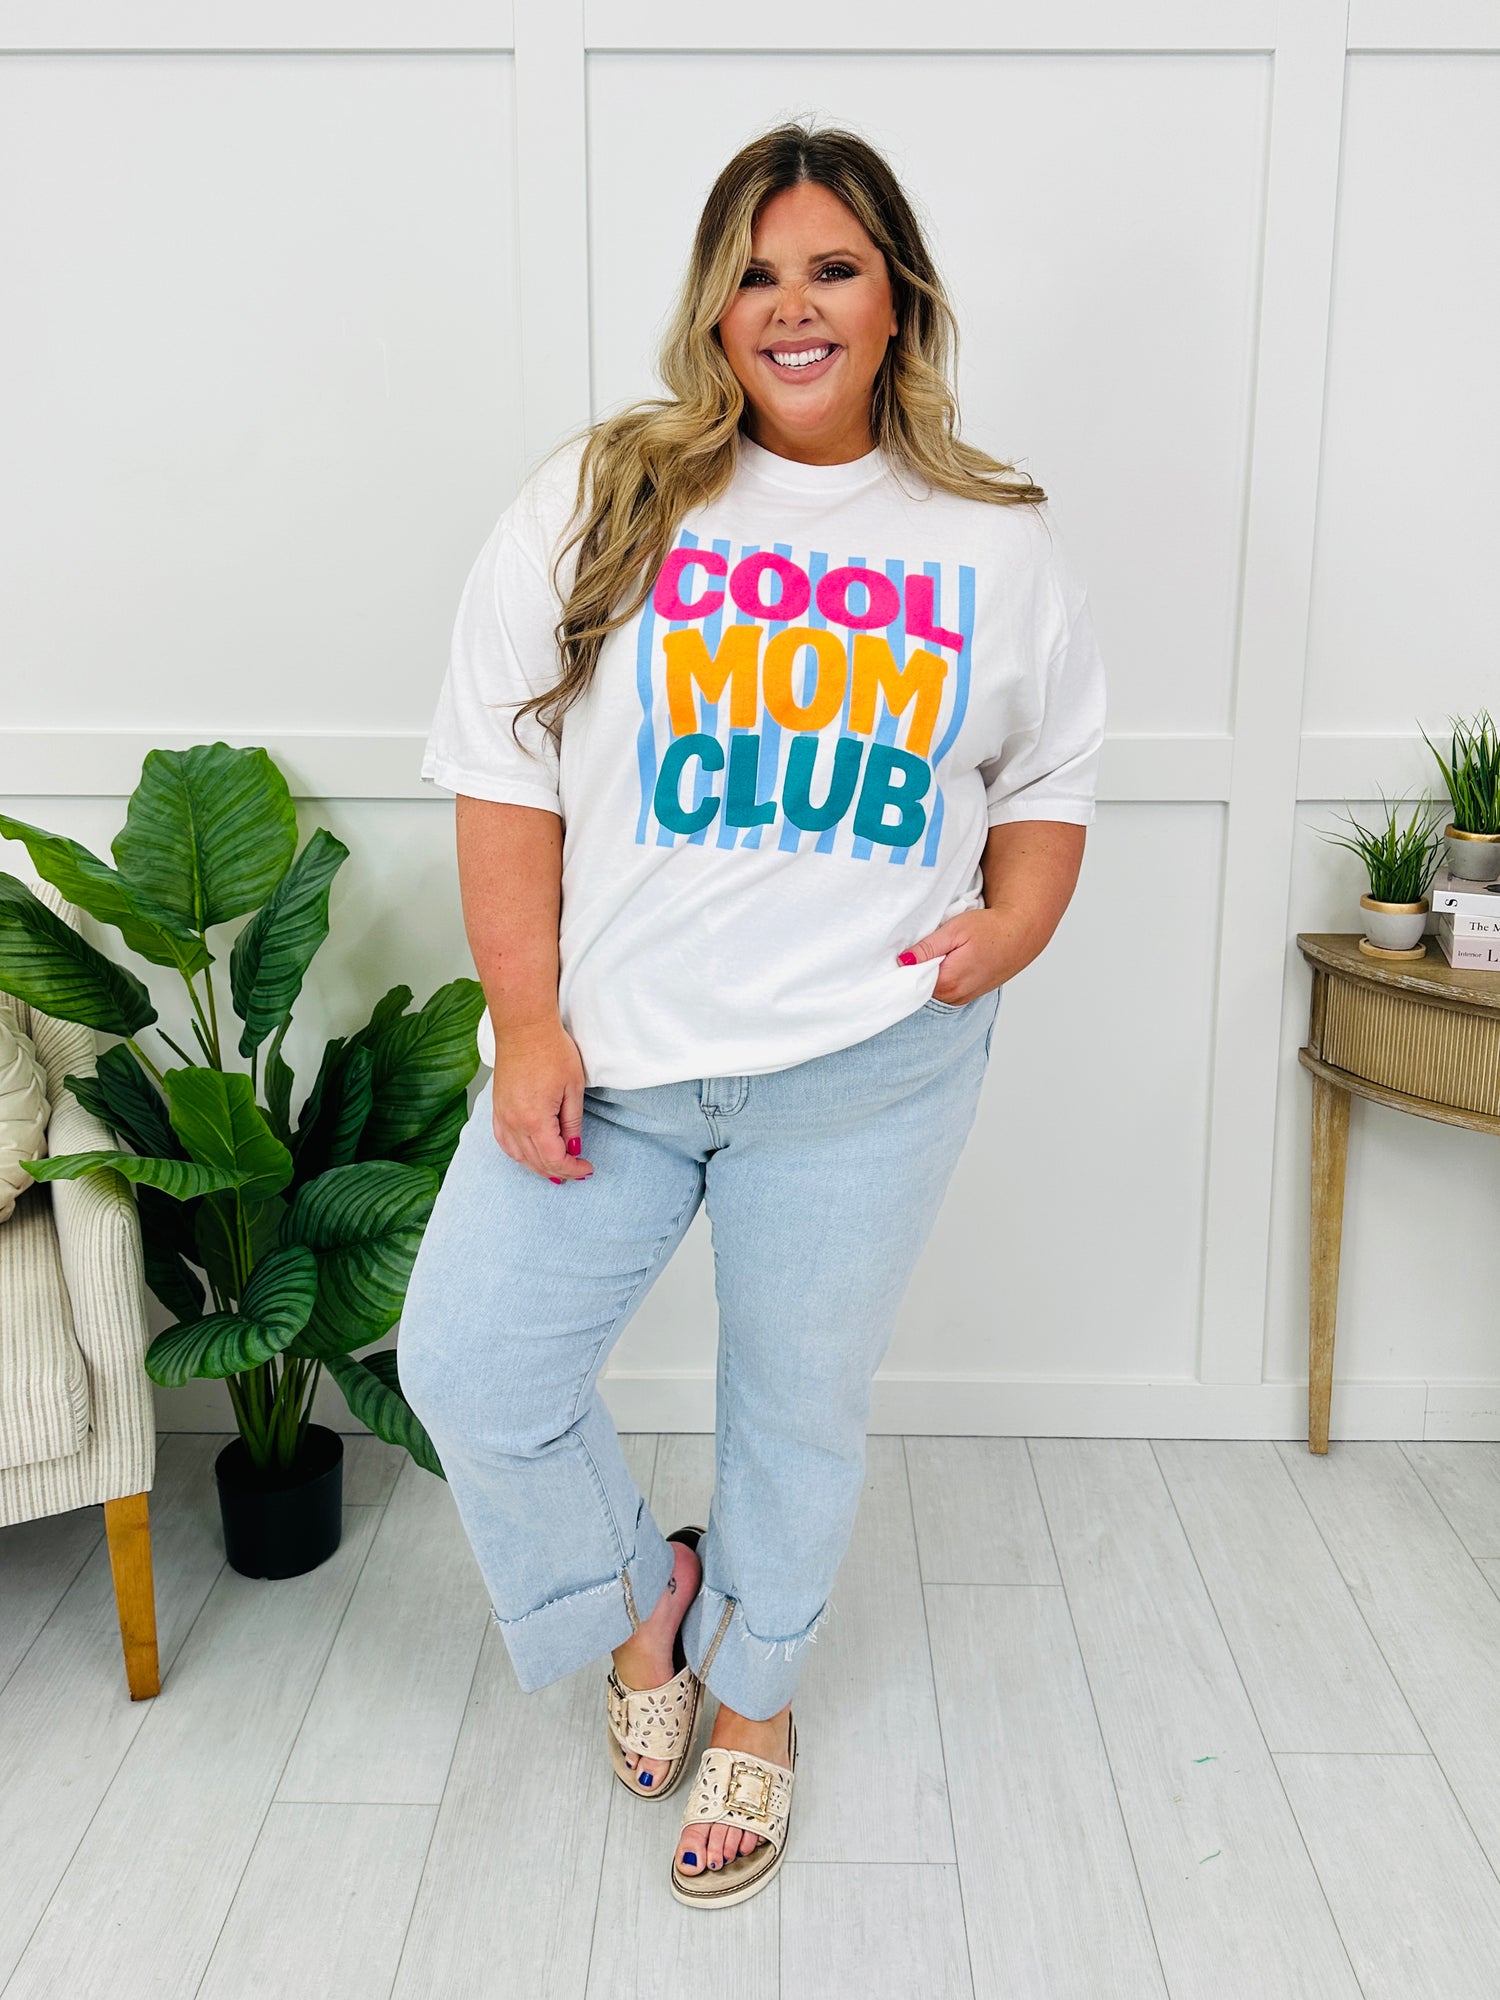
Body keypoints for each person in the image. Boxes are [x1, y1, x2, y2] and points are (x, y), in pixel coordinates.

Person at [399, 118, 1106, 1911]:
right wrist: (528, 1024)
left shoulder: (991, 538)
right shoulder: (605, 496)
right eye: (758, 273)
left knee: (796, 1409)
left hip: (868, 1069)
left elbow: (1052, 769)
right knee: (470, 1365)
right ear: (715, 306)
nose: (794, 307)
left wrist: (1014, 927)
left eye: (833, 270)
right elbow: (500, 766)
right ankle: (649, 1600)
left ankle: (759, 1698)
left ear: (897, 302)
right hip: (616, 1066)